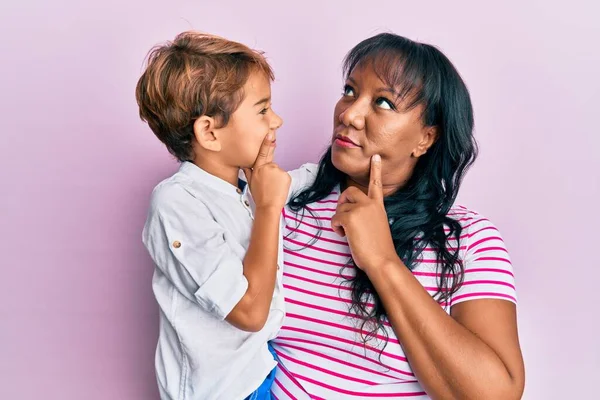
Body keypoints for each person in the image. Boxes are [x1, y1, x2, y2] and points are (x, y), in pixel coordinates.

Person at [271, 33, 525, 399]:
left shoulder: (470, 240)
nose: (350, 114)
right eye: (349, 90)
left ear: (425, 138)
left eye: (384, 103)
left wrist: (383, 260)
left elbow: (496, 395)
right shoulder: (283, 207)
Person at [135, 31, 315, 400]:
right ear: (209, 132)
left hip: (259, 376)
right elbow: (249, 313)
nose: (276, 120)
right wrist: (267, 208)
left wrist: (350, 163)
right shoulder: (177, 204)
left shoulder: (241, 190)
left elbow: (292, 182)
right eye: (263, 109)